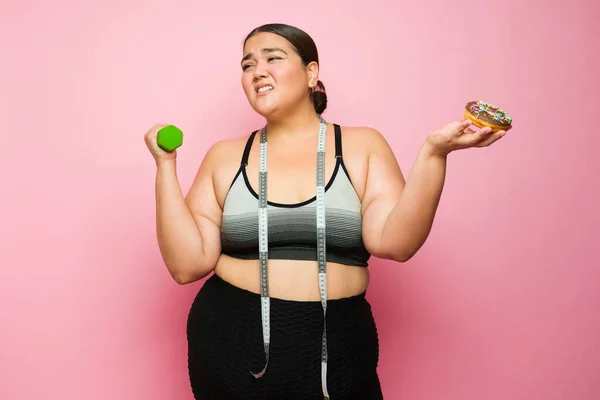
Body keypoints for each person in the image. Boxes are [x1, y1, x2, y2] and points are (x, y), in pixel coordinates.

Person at [143, 23, 507, 400]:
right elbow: (186, 266)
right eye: (247, 65)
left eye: (273, 58)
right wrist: (165, 166)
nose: (257, 71)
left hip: (341, 345)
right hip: (233, 342)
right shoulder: (224, 157)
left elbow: (396, 244)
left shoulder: (361, 146)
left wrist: (434, 153)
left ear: (311, 73)